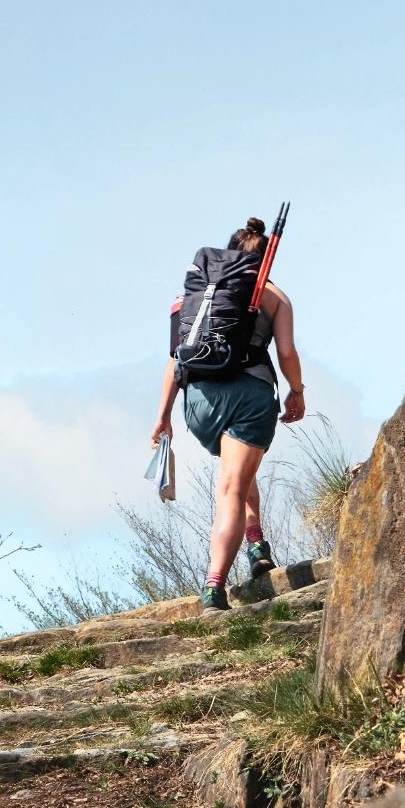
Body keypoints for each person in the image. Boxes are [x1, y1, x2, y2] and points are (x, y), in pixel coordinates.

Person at [150, 217, 306, 612]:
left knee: (237, 473)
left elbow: (176, 358)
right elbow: (285, 353)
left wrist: (163, 415)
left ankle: (256, 544)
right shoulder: (274, 295)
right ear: (265, 258)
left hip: (199, 402)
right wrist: (296, 391)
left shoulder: (195, 293)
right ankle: (214, 585)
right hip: (249, 396)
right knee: (232, 489)